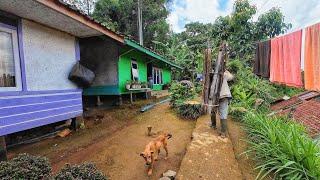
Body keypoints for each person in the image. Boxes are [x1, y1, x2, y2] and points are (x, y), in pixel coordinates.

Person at [211, 70, 234, 138]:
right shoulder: (224, 74)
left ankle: (213, 125)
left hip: (214, 96)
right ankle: (223, 132)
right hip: (224, 95)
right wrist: (228, 72)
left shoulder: (210, 74)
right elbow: (231, 77)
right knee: (223, 113)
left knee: (213, 110)